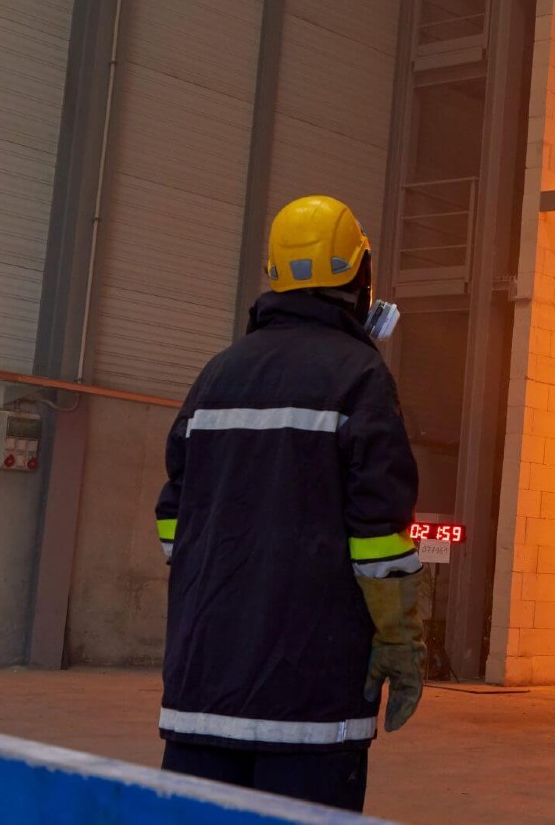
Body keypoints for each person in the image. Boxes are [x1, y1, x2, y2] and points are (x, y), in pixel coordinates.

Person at [154, 194, 425, 812]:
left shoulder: (217, 373)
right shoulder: (360, 376)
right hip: (310, 701)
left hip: (201, 690)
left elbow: (174, 518)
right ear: (360, 275)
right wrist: (399, 637)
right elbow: (378, 533)